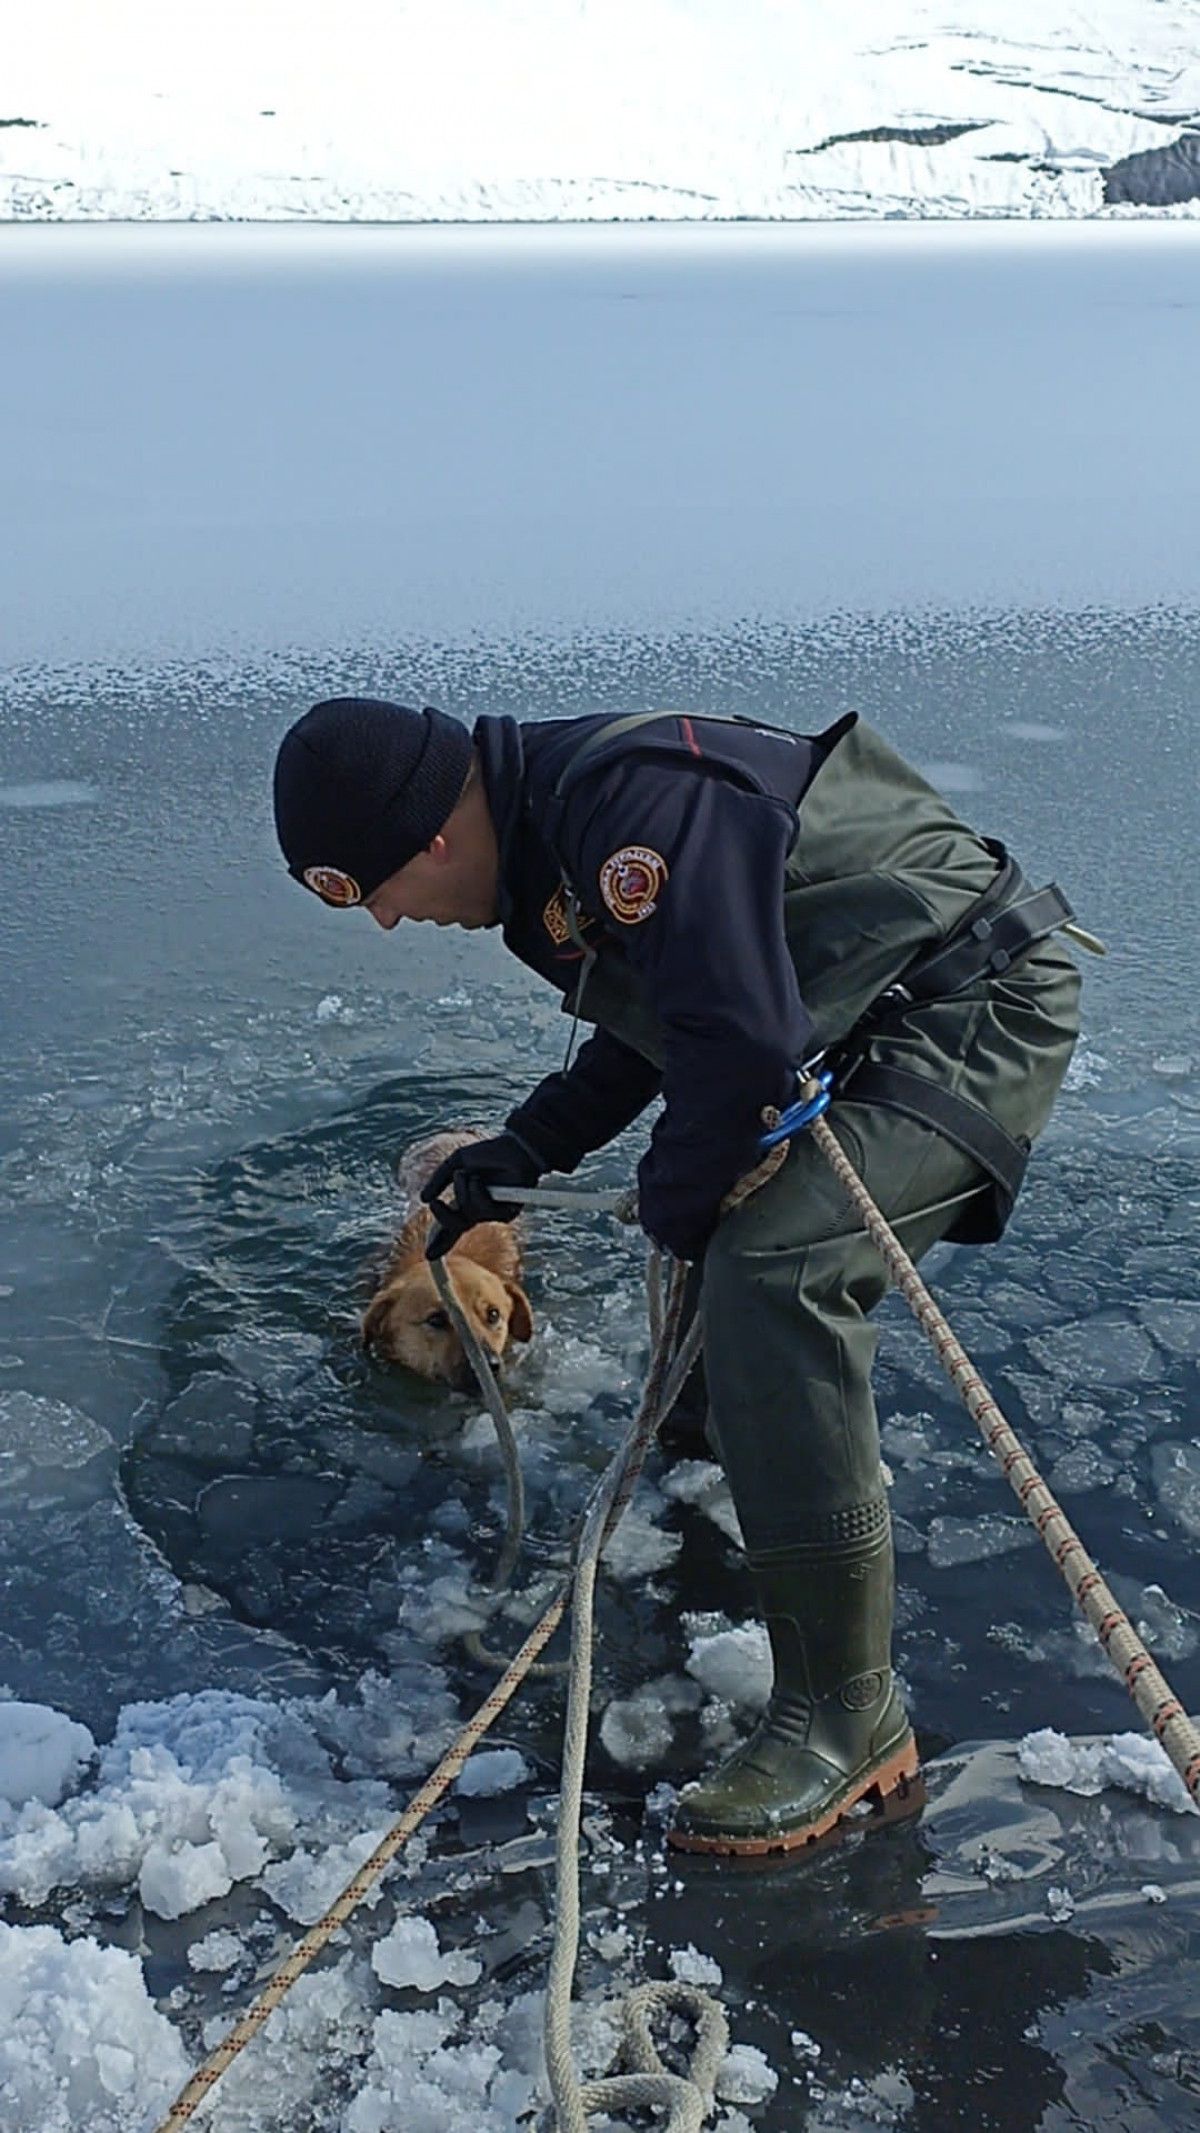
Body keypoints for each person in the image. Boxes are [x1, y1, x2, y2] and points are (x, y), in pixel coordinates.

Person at [272, 696, 1084, 1855]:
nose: (392, 921)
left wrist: (672, 1190)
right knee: (715, 1224)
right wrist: (522, 1153)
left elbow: (742, 1044)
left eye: (375, 891)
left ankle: (847, 1721)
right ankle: (717, 1455)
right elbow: (665, 1023)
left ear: (429, 839)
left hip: (967, 1007)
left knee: (776, 1262)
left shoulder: (625, 814)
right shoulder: (553, 836)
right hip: (860, 1017)